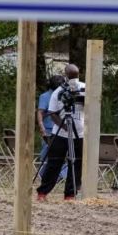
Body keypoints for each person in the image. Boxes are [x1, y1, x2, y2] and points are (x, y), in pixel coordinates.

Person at [36, 64, 85, 201]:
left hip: (79, 133)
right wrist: (64, 127)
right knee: (54, 163)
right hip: (60, 133)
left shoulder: (84, 88)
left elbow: (92, 105)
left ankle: (70, 193)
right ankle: (43, 192)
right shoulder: (59, 92)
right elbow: (52, 113)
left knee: (76, 163)